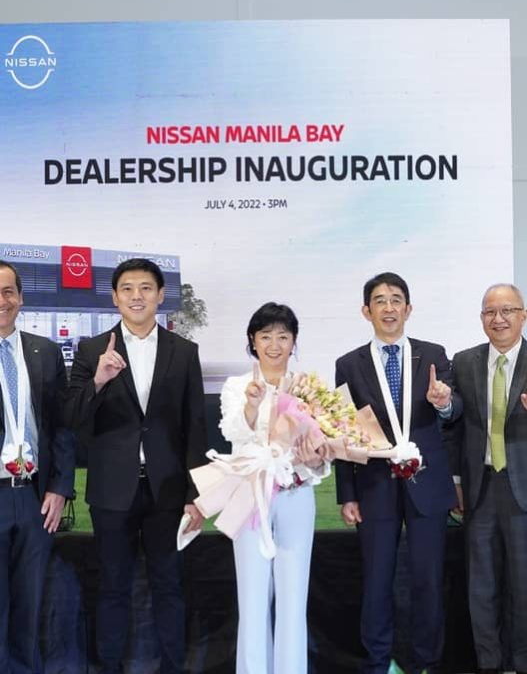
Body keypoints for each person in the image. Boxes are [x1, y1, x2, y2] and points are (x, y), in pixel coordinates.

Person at [66, 258, 207, 674]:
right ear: (114, 298)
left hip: (168, 491)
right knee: (112, 587)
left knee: (169, 586)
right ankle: (108, 667)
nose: (136, 296)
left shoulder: (184, 351)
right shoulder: (92, 350)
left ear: (161, 295)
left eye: (146, 287)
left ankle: (173, 667)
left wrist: (195, 494)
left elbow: (195, 426)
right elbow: (72, 418)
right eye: (127, 288)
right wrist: (98, 380)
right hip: (112, 491)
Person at [335, 272, 461, 674]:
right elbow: (343, 432)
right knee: (376, 581)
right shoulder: (348, 364)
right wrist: (347, 493)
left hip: (427, 484)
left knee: (428, 580)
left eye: (395, 300)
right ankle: (378, 662)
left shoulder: (434, 354)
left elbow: (454, 411)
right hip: (374, 486)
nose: (388, 308)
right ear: (366, 311)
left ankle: (428, 662)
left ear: (408, 309)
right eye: (379, 300)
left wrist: (443, 402)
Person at [219, 302, 330, 674]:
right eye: (266, 336)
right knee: (252, 599)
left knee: (293, 600)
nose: (274, 344)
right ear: (253, 341)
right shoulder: (237, 386)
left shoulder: (309, 388)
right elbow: (233, 433)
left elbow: (324, 451)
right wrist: (252, 406)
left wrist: (315, 459)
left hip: (297, 494)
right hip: (251, 497)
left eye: (283, 336)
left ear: (294, 342)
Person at [0, 260, 74, 674]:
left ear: (21, 298)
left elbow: (61, 427)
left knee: (29, 606)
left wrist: (60, 487)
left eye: (8, 291)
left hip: (33, 497)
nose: (2, 301)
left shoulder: (44, 352)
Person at [451, 283, 527, 674]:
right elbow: (453, 425)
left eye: (507, 311)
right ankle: (490, 663)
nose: (498, 319)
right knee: (482, 587)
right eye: (490, 312)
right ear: (482, 318)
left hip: (523, 491)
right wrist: (456, 481)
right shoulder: (464, 362)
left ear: (523, 316)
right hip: (479, 487)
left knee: (524, 584)